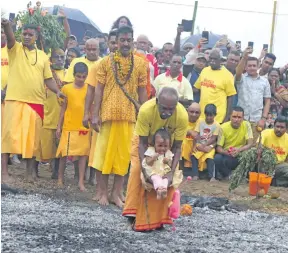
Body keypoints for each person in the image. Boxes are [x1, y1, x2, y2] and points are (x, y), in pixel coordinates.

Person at [90, 25, 148, 208]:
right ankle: (101, 192)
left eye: (128, 40)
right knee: (104, 156)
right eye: (121, 40)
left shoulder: (140, 64)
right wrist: (94, 114)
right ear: (116, 41)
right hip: (107, 115)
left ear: (133, 42)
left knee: (123, 157)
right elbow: (98, 90)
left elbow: (142, 92)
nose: (124, 43)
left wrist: (144, 114)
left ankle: (116, 193)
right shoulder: (105, 62)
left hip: (129, 116)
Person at [1, 20, 64, 184]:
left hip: (36, 102)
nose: (27, 37)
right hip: (14, 99)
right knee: (8, 136)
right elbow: (9, 38)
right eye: (25, 34)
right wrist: (7, 26)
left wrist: (57, 91)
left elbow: (48, 79)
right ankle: (4, 173)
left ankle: (29, 175)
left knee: (32, 140)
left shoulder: (43, 56)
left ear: (36, 37)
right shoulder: (15, 49)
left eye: (30, 35)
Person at [123, 87, 188, 231]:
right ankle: (132, 214)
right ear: (157, 101)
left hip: (167, 147)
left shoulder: (182, 115)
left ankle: (161, 218)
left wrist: (171, 172)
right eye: (164, 108)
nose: (167, 113)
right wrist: (145, 170)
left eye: (171, 109)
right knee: (137, 171)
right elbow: (142, 143)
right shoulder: (146, 110)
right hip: (145, 143)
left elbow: (177, 147)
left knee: (169, 178)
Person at [56, 62, 90, 191]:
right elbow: (63, 109)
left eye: (83, 76)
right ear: (74, 75)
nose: (81, 79)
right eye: (78, 76)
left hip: (83, 127)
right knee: (64, 154)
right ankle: (60, 178)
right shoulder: (66, 89)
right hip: (69, 126)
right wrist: (59, 126)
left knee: (83, 156)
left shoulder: (89, 89)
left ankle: (81, 182)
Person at [36, 48, 66, 179]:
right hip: (46, 116)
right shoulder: (46, 74)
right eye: (56, 57)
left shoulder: (67, 73)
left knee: (58, 149)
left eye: (61, 57)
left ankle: (55, 173)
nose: (59, 60)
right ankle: (34, 171)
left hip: (61, 118)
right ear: (50, 59)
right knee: (40, 147)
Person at [235, 47, 271, 143]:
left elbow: (267, 101)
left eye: (254, 65)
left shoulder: (264, 81)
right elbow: (238, 72)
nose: (252, 68)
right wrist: (244, 57)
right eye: (249, 66)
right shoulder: (241, 79)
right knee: (240, 146)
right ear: (245, 67)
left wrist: (263, 119)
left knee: (254, 149)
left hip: (257, 120)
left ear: (258, 66)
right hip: (241, 120)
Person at [194, 49, 236, 124]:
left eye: (215, 59)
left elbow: (230, 97)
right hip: (202, 116)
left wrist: (227, 118)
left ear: (220, 60)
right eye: (211, 58)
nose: (212, 61)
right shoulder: (204, 70)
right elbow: (196, 89)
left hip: (217, 117)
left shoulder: (227, 75)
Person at [141, 128, 182, 199]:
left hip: (163, 173)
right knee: (155, 179)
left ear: (169, 145)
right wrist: (153, 158)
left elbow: (171, 165)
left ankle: (164, 190)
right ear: (154, 144)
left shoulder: (168, 153)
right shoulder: (151, 151)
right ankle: (159, 191)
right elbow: (147, 163)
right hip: (153, 172)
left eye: (165, 146)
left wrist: (168, 161)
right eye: (160, 146)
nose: (163, 148)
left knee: (166, 180)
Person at [215, 106, 253, 179]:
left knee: (251, 154)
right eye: (234, 117)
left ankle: (241, 175)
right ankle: (229, 175)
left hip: (241, 154)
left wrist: (238, 150)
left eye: (239, 117)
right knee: (217, 158)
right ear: (230, 117)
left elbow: (250, 143)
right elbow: (218, 148)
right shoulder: (223, 127)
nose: (236, 120)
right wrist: (228, 152)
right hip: (227, 155)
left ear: (243, 118)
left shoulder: (246, 124)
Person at [191, 104, 220, 181]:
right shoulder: (200, 122)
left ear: (215, 115)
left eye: (211, 116)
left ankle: (211, 177)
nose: (208, 118)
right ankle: (195, 175)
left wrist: (205, 145)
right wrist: (194, 146)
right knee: (194, 156)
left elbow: (214, 138)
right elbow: (196, 135)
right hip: (200, 144)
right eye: (207, 115)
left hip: (209, 146)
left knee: (210, 158)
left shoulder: (217, 125)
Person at [260, 116, 288, 187]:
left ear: (286, 129)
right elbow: (259, 146)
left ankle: (275, 182)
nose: (279, 129)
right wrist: (260, 149)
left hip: (279, 165)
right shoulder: (266, 132)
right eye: (277, 126)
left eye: (282, 127)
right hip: (264, 164)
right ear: (274, 126)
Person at [182, 102, 201, 171]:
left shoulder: (202, 122)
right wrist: (189, 131)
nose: (194, 114)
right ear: (187, 111)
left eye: (197, 112)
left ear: (200, 114)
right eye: (192, 112)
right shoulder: (182, 119)